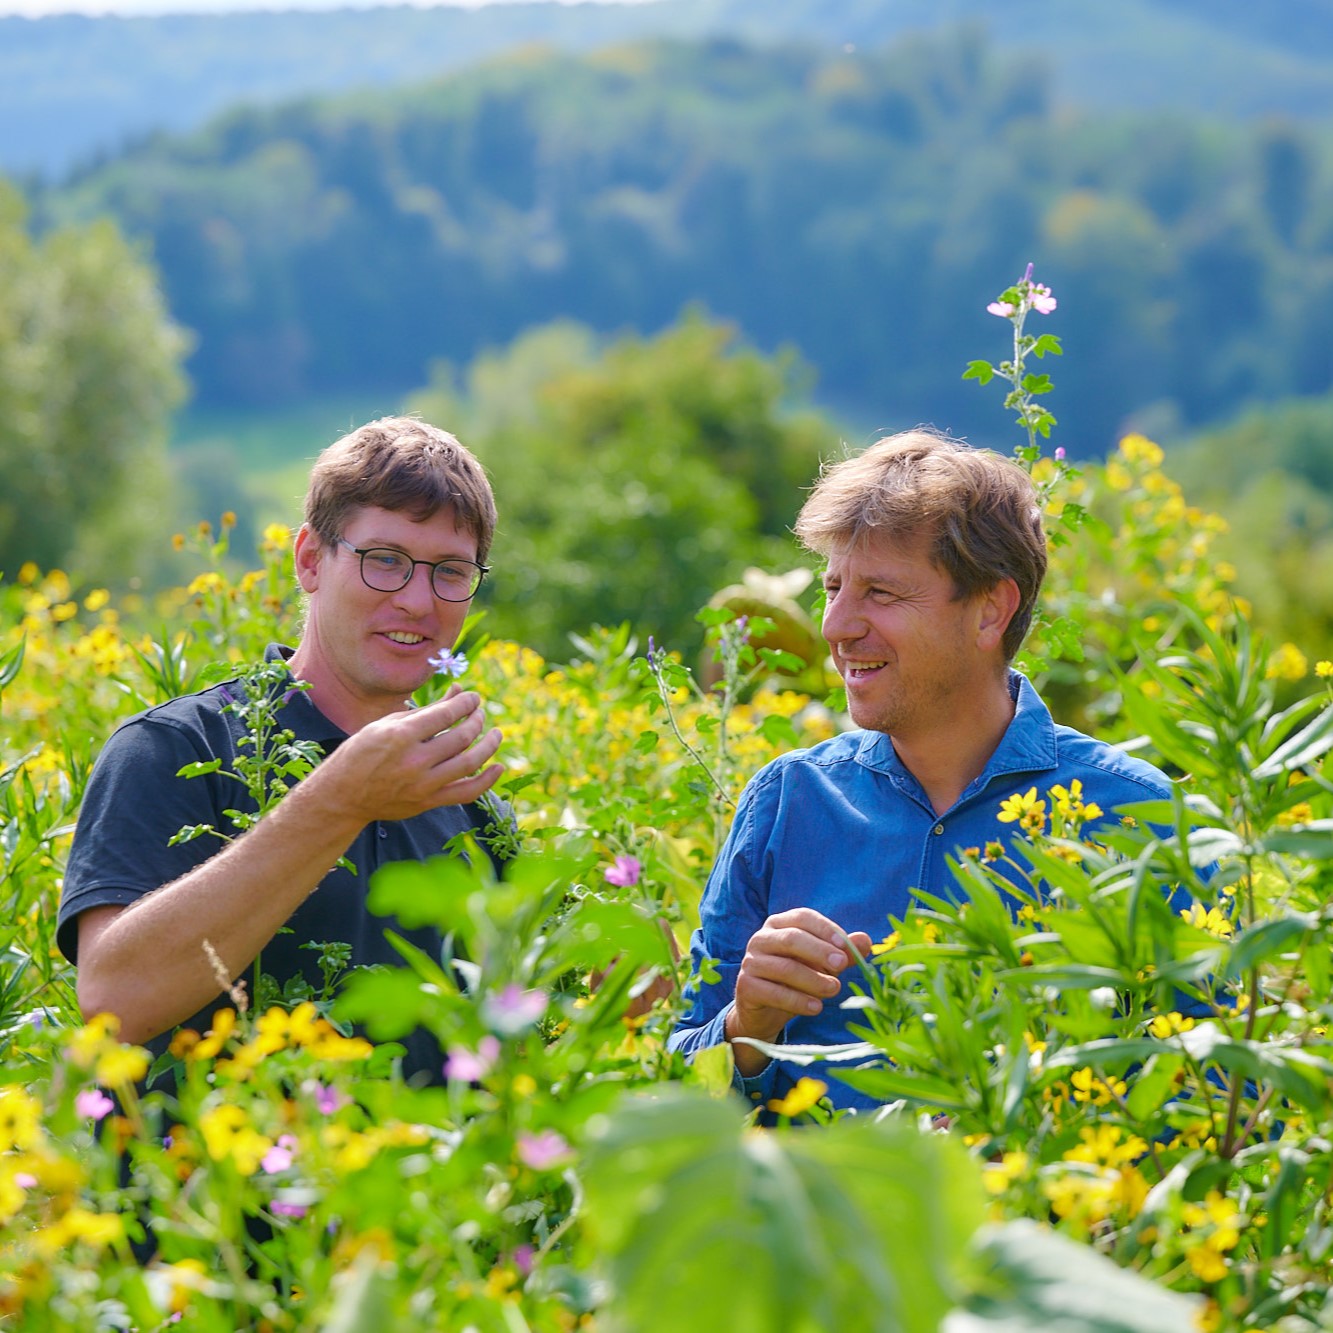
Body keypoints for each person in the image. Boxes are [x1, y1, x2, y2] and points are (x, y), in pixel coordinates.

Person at [667, 428, 1177, 1114]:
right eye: (832, 587)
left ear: (990, 609)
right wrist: (745, 1028)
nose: (836, 626)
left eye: (879, 591)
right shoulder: (785, 801)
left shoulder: (1134, 814)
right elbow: (672, 1082)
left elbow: (1210, 1091)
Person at [57, 416, 507, 1084]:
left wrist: (597, 988)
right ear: (308, 560)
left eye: (450, 571)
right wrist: (339, 799)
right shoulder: (175, 747)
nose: (417, 599)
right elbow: (114, 1001)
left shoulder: (464, 796)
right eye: (385, 559)